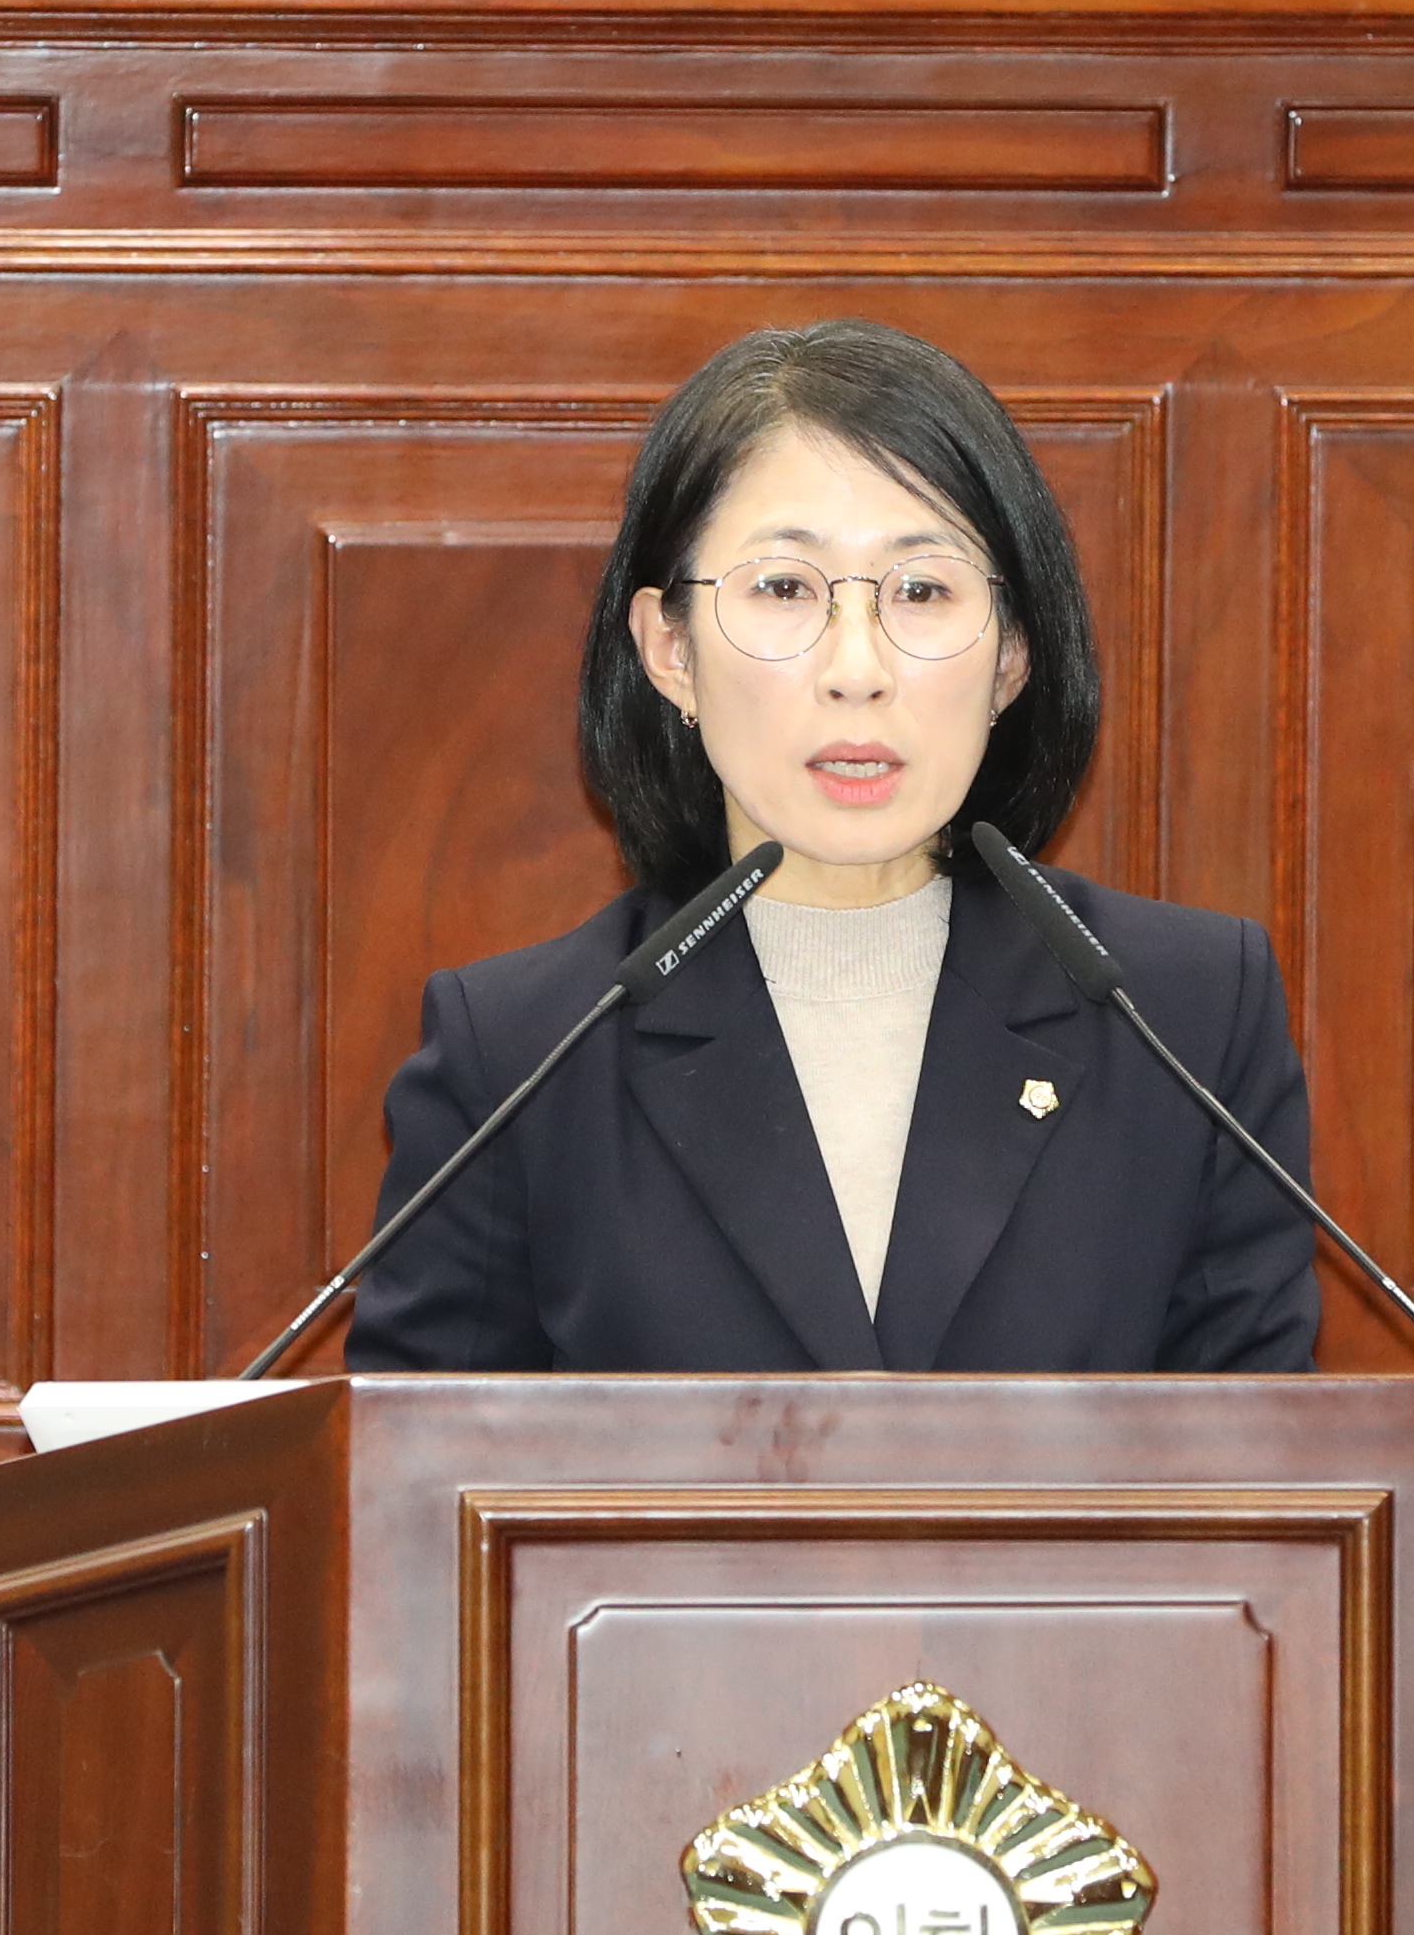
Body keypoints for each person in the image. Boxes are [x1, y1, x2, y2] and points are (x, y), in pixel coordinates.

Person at [351, 320, 1317, 1374]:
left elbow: (1270, 1496)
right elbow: (416, 1504)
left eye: (922, 591)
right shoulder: (523, 1055)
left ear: (1011, 659)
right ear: (668, 650)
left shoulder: (1183, 1019)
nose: (857, 670)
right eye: (783, 589)